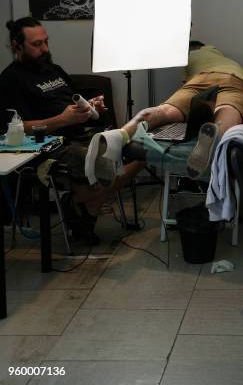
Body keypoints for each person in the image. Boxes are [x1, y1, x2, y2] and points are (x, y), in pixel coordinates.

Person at [0, 17, 139, 243]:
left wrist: (91, 106)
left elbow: (74, 103)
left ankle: (83, 202)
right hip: (51, 144)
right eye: (37, 44)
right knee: (104, 163)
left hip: (85, 134)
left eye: (46, 41)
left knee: (141, 151)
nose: (45, 49)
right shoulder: (10, 79)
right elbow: (15, 129)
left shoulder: (53, 69)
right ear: (17, 46)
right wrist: (61, 120)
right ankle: (85, 205)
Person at [114, 41, 243, 179]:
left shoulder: (188, 58)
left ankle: (118, 135)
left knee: (165, 111)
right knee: (227, 108)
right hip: (232, 78)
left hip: (199, 78)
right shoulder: (217, 53)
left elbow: (186, 85)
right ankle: (216, 130)